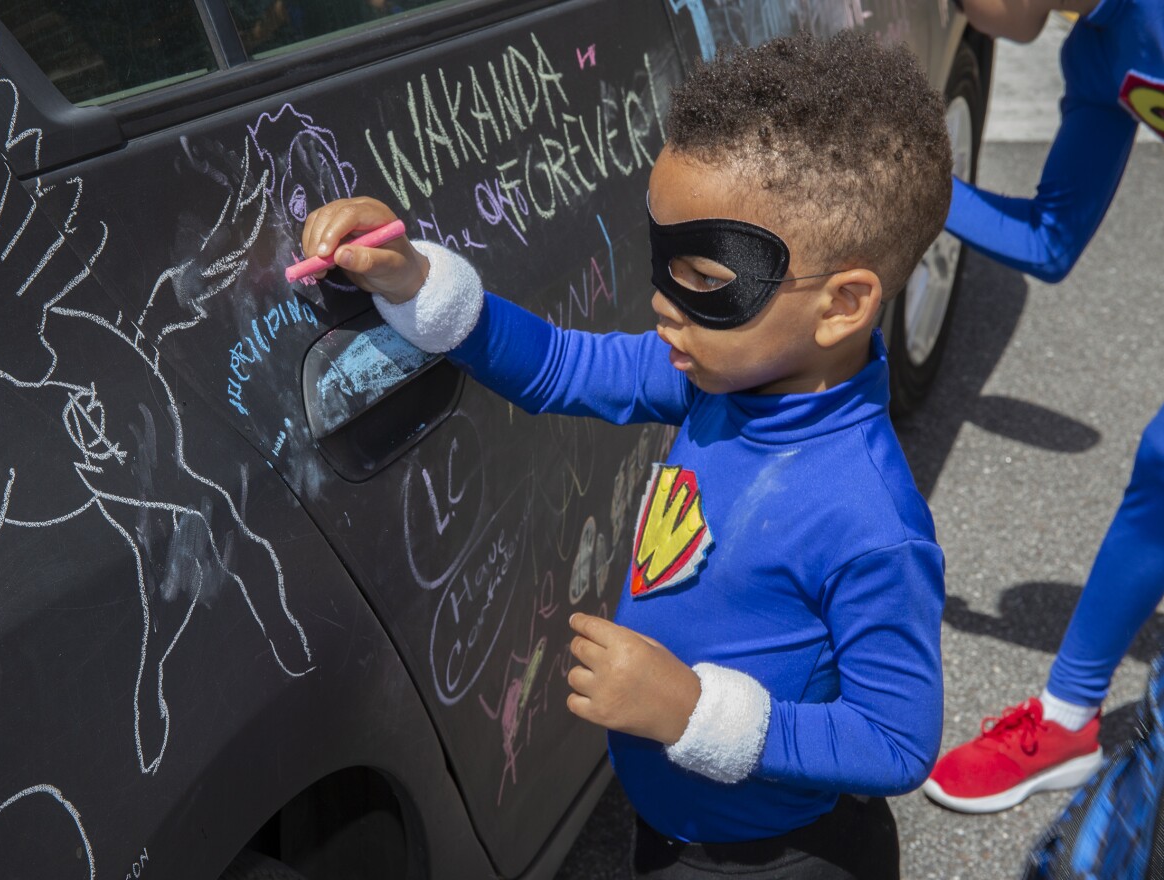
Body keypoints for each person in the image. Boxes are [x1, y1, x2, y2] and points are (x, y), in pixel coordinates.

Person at [297, 30, 953, 878]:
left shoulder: (870, 518)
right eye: (660, 261)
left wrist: (694, 713)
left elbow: (897, 738)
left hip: (779, 858)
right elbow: (562, 367)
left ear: (842, 305)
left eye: (707, 284)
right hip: (672, 827)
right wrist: (413, 278)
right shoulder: (716, 377)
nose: (660, 301)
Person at [922, 0, 1164, 815]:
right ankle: (1065, 720)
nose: (956, 11)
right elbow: (1049, 242)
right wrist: (905, 185)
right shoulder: (1098, 56)